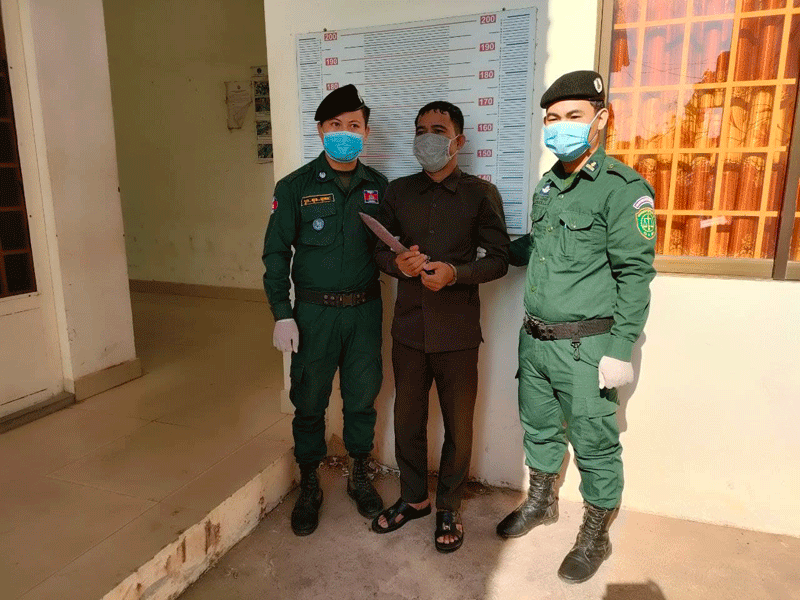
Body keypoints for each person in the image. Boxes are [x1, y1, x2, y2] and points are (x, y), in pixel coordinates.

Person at [496, 70, 656, 583]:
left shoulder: (622, 189)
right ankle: (542, 502)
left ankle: (595, 534)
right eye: (552, 118)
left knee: (594, 442)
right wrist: (490, 248)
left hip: (586, 348)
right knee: (539, 428)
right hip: (535, 342)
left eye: (573, 116)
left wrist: (621, 347)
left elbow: (635, 274)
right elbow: (538, 246)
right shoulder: (548, 186)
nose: (560, 126)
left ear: (600, 119)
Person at [371, 101, 510, 553]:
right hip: (409, 330)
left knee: (458, 426)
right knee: (407, 420)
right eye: (420, 130)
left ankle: (449, 505)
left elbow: (499, 259)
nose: (427, 138)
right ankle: (414, 499)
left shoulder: (480, 194)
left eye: (437, 130)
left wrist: (456, 273)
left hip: (458, 332)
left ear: (458, 141)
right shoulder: (398, 193)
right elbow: (378, 250)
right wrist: (398, 264)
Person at [262, 84, 388, 536]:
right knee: (309, 400)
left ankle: (359, 474)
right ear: (320, 131)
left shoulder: (379, 188)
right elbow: (276, 253)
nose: (345, 133)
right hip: (314, 315)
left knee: (362, 397)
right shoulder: (294, 187)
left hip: (364, 312)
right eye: (336, 125)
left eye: (354, 126)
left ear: (366, 133)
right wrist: (282, 312)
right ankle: (310, 482)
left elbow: (392, 248)